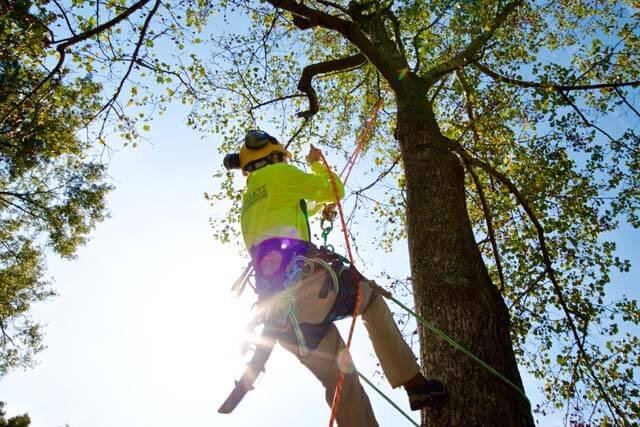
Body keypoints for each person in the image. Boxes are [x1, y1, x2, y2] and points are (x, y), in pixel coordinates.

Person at [227, 130, 446, 426]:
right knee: (369, 298)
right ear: (274, 156)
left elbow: (296, 206)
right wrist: (317, 164)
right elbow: (334, 189)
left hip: (279, 311)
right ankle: (415, 385)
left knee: (339, 376)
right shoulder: (281, 173)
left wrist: (317, 208)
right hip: (305, 285)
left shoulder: (251, 198)